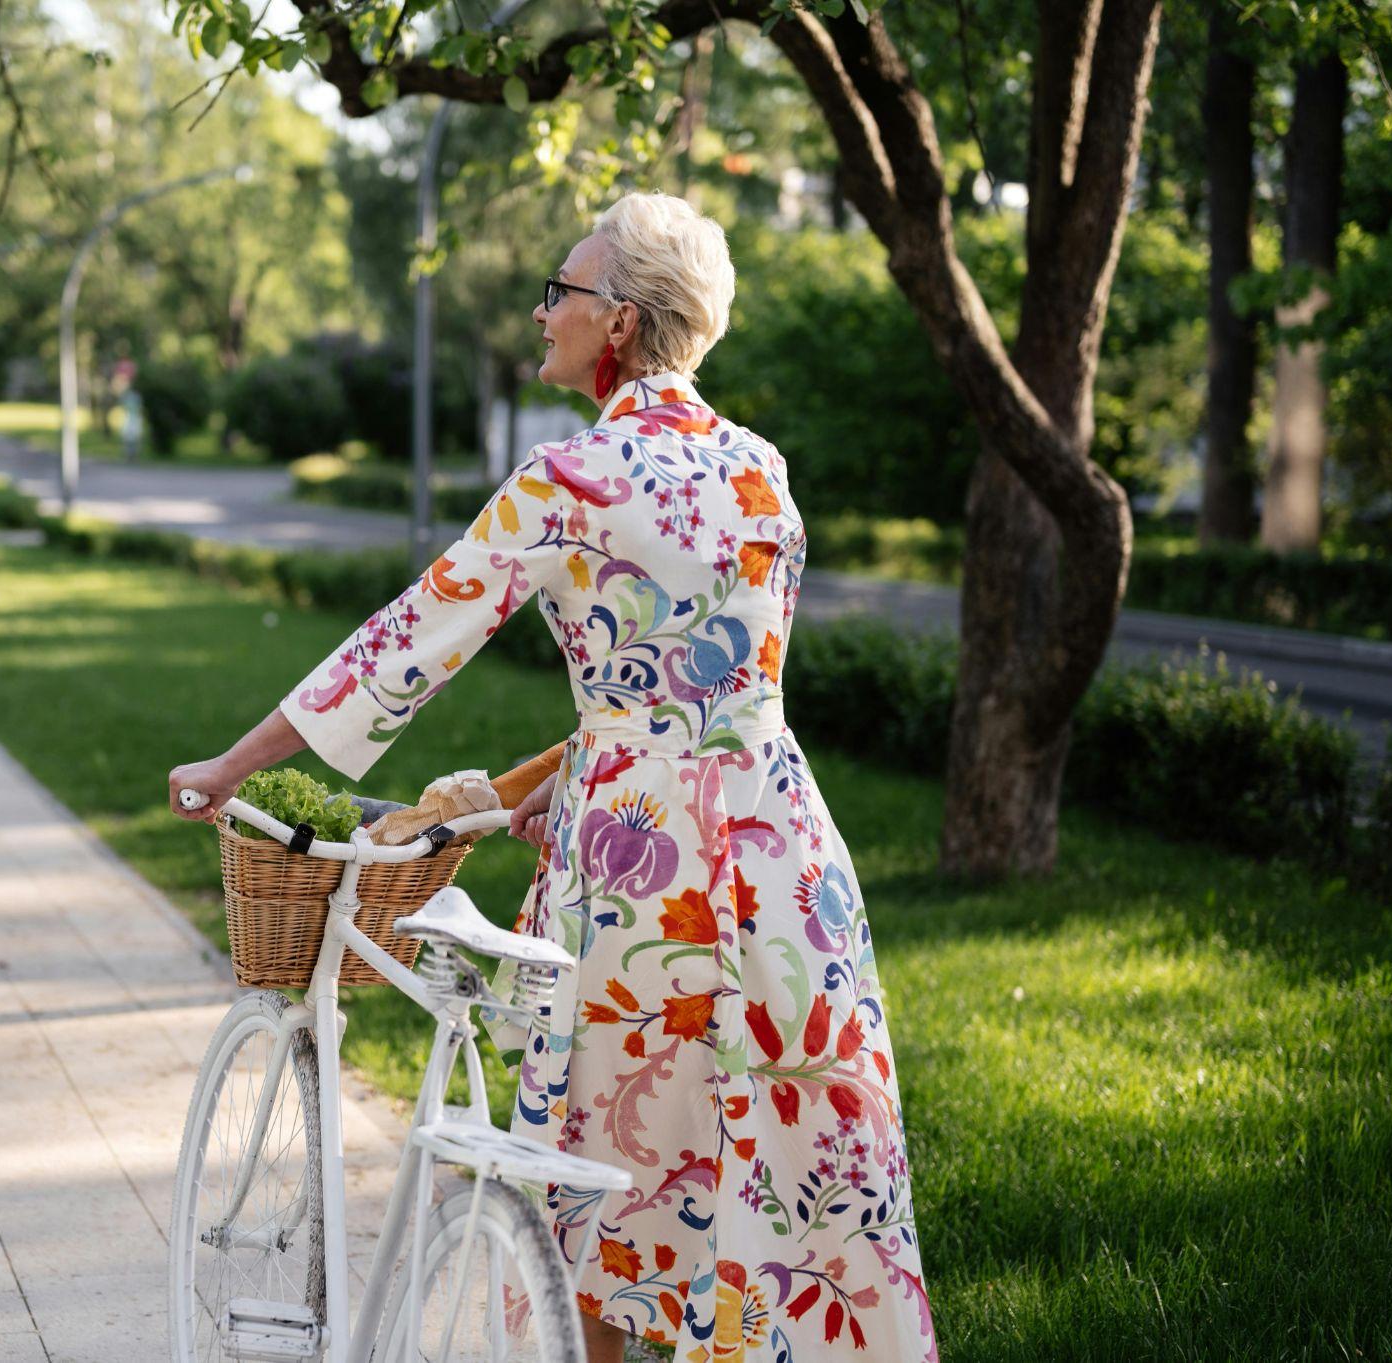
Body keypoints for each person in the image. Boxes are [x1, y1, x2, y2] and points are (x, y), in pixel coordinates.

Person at [168, 191, 935, 1363]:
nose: (543, 312)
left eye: (560, 292)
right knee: (781, 1182)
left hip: (637, 877)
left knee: (596, 1190)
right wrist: (564, 772)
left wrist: (231, 765)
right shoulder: (759, 472)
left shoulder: (571, 478)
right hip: (782, 863)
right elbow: (706, 686)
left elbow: (402, 646)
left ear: (618, 323)